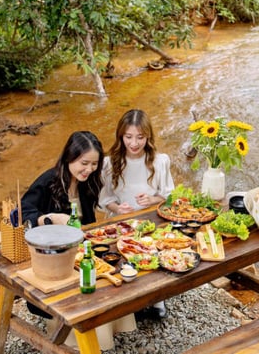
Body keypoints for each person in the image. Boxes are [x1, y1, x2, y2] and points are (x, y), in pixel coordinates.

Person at [20, 131, 130, 350]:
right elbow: (22, 213)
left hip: (80, 254)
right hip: (52, 261)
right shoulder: (47, 181)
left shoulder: (87, 183)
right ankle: (81, 341)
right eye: (84, 163)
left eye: (94, 164)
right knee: (93, 287)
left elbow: (87, 226)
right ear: (69, 157)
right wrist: (49, 219)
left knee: (117, 271)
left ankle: (109, 329)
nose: (89, 169)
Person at [99, 109, 175, 319]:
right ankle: (127, 303)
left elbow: (169, 196)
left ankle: (157, 298)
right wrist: (117, 209)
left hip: (149, 222)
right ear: (121, 136)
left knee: (151, 257)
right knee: (121, 260)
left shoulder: (160, 161)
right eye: (128, 137)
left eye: (140, 137)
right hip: (120, 222)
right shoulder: (109, 163)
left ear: (148, 137)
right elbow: (105, 200)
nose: (134, 143)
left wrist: (152, 200)